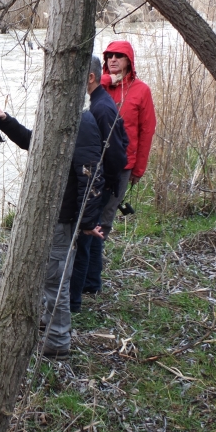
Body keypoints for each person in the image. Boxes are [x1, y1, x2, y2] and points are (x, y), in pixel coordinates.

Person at [0, 84, 116, 359]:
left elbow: (92, 176)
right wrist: (7, 121)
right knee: (52, 275)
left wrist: (85, 223)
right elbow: (35, 142)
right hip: (54, 214)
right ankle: (50, 324)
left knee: (56, 278)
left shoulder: (81, 123)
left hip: (64, 216)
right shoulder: (64, 120)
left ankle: (58, 343)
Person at [84, 41, 156, 296]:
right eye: (109, 56)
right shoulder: (102, 86)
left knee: (103, 220)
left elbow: (147, 131)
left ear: (129, 61)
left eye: (119, 56)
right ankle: (87, 276)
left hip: (123, 166)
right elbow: (91, 79)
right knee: (89, 217)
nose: (113, 59)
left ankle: (92, 282)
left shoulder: (141, 91)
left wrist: (138, 169)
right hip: (95, 167)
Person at [71, 55, 129, 311]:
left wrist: (109, 186)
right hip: (102, 181)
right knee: (93, 233)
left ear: (91, 77)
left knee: (86, 237)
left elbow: (116, 151)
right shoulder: (100, 102)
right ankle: (91, 283)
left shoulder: (101, 108)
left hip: (102, 183)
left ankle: (79, 295)